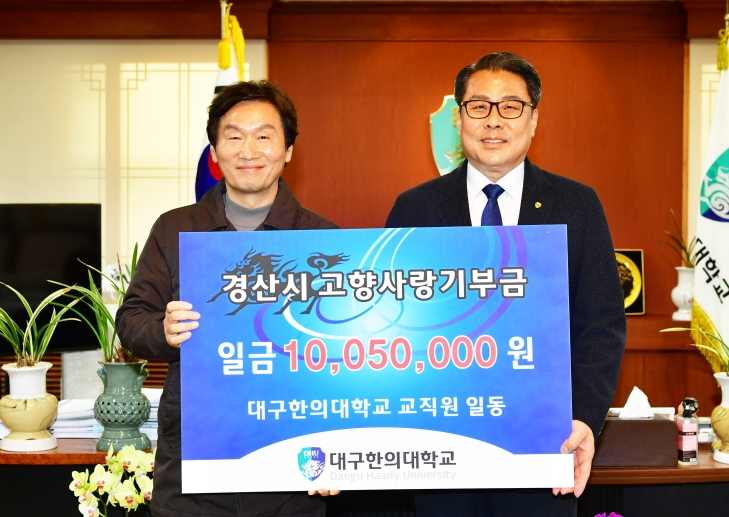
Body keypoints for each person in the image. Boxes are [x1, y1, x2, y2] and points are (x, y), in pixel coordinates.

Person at [386, 52, 626, 517]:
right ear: (458, 119)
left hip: (544, 445)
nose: (493, 120)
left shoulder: (577, 205)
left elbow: (603, 325)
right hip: (441, 446)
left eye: (511, 106)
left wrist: (583, 416)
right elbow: (391, 323)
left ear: (533, 119)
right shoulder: (415, 209)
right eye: (479, 106)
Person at [116, 80, 339, 517]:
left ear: (289, 150)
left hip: (291, 471)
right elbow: (131, 320)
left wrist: (340, 452)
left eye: (264, 136)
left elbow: (347, 354)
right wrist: (163, 330)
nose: (248, 150)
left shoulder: (323, 239)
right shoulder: (174, 229)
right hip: (193, 468)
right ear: (214, 153)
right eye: (234, 137)